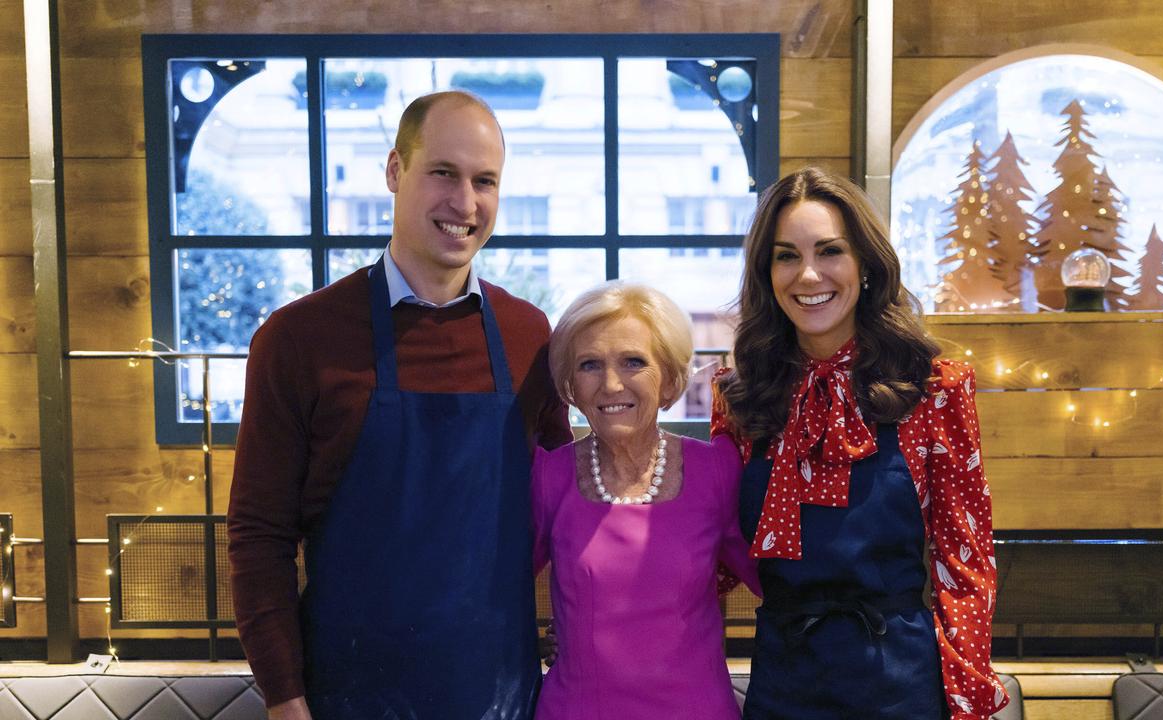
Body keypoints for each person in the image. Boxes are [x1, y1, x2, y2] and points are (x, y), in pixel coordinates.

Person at [227, 91, 572, 720]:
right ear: (394, 171)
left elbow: (569, 511)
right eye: (443, 172)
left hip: (498, 696)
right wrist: (284, 699)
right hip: (345, 698)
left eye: (484, 181)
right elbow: (259, 539)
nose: (464, 203)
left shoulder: (530, 336)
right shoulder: (298, 338)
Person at [711, 167, 1008, 719]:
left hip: (899, 680)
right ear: (765, 273)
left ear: (866, 265)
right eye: (785, 256)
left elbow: (963, 559)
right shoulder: (738, 394)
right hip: (783, 678)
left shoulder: (934, 389)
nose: (808, 274)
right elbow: (718, 552)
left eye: (830, 251)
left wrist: (968, 698)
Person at [531, 282, 760, 720]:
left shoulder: (717, 470)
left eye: (633, 362)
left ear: (671, 380)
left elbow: (782, 585)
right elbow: (494, 597)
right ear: (570, 387)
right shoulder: (547, 475)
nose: (611, 384)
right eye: (589, 365)